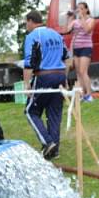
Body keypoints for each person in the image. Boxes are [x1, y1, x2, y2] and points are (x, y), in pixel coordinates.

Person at [23, 10, 68, 160]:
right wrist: (65, 79)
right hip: (60, 75)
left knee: (31, 112)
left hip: (44, 76)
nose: (26, 26)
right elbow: (67, 58)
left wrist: (26, 85)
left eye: (26, 23)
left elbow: (29, 62)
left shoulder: (32, 36)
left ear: (30, 21)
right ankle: (54, 150)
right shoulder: (57, 35)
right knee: (54, 114)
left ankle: (47, 143)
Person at [62, 2, 95, 102]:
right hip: (76, 48)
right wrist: (68, 19)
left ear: (86, 10)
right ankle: (82, 93)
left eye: (81, 9)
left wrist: (82, 18)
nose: (79, 10)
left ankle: (89, 94)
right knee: (78, 73)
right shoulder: (75, 21)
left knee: (83, 71)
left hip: (86, 47)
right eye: (78, 9)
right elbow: (66, 30)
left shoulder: (91, 20)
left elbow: (87, 30)